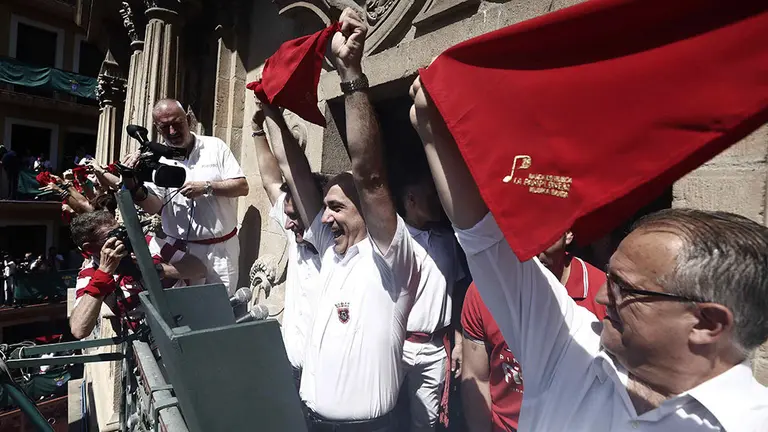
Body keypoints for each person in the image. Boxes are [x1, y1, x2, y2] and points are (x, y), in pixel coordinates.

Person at [408, 76, 768, 430]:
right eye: (609, 277)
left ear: (707, 323)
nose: (599, 295)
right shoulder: (568, 346)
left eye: (626, 289)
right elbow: (485, 239)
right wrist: (432, 130)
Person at [267, 9, 421, 430]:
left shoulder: (390, 260)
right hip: (311, 420)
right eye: (326, 206)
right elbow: (288, 165)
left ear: (369, 212)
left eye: (337, 207)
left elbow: (369, 176)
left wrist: (350, 74)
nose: (326, 217)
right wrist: (271, 109)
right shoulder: (331, 252)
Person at [460, 235, 606, 431]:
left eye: (543, 231)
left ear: (569, 232)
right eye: (523, 231)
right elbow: (477, 377)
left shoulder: (603, 294)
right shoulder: (484, 291)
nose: (533, 249)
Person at [123, 99, 249, 294]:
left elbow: (242, 187)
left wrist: (208, 187)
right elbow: (154, 206)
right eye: (165, 127)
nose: (172, 131)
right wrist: (135, 187)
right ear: (157, 128)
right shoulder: (155, 159)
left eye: (177, 123)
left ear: (188, 119)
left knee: (221, 310)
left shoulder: (215, 146)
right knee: (186, 313)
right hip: (180, 254)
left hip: (222, 251)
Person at [251, 99, 327, 389]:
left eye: (298, 216)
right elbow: (272, 181)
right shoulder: (297, 237)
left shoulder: (329, 246)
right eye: (289, 216)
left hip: (321, 377)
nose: (289, 222)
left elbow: (292, 173)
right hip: (291, 369)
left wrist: (274, 116)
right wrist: (257, 128)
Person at [395, 171, 466, 432]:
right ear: (411, 199)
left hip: (436, 347)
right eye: (430, 196)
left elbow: (456, 291)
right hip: (397, 345)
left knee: (426, 423)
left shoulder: (448, 241)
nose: (437, 201)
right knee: (380, 412)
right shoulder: (393, 240)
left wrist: (458, 342)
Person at [69, 210, 206, 339]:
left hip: (189, 318)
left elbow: (199, 269)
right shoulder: (89, 275)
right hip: (151, 338)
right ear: (90, 248)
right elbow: (79, 330)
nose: (124, 239)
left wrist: (156, 269)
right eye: (112, 236)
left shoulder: (148, 243)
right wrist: (104, 273)